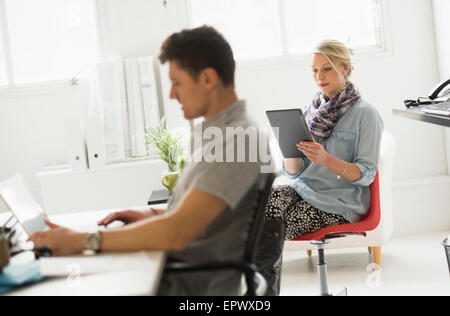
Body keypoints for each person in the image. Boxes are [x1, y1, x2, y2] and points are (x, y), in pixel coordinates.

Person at [29, 26, 269, 296]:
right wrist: (152, 215)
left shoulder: (237, 140)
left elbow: (177, 232)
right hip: (177, 271)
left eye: (177, 82)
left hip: (188, 287)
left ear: (208, 78)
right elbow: (204, 215)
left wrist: (83, 240)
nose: (172, 95)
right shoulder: (221, 134)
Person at [256, 40, 384, 296]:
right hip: (304, 190)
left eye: (326, 69)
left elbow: (366, 173)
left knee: (269, 227)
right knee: (258, 208)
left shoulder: (366, 115)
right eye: (314, 70)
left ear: (345, 69)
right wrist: (289, 152)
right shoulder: (310, 111)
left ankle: (260, 296)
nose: (318, 77)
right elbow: (295, 171)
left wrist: (326, 159)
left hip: (340, 202)